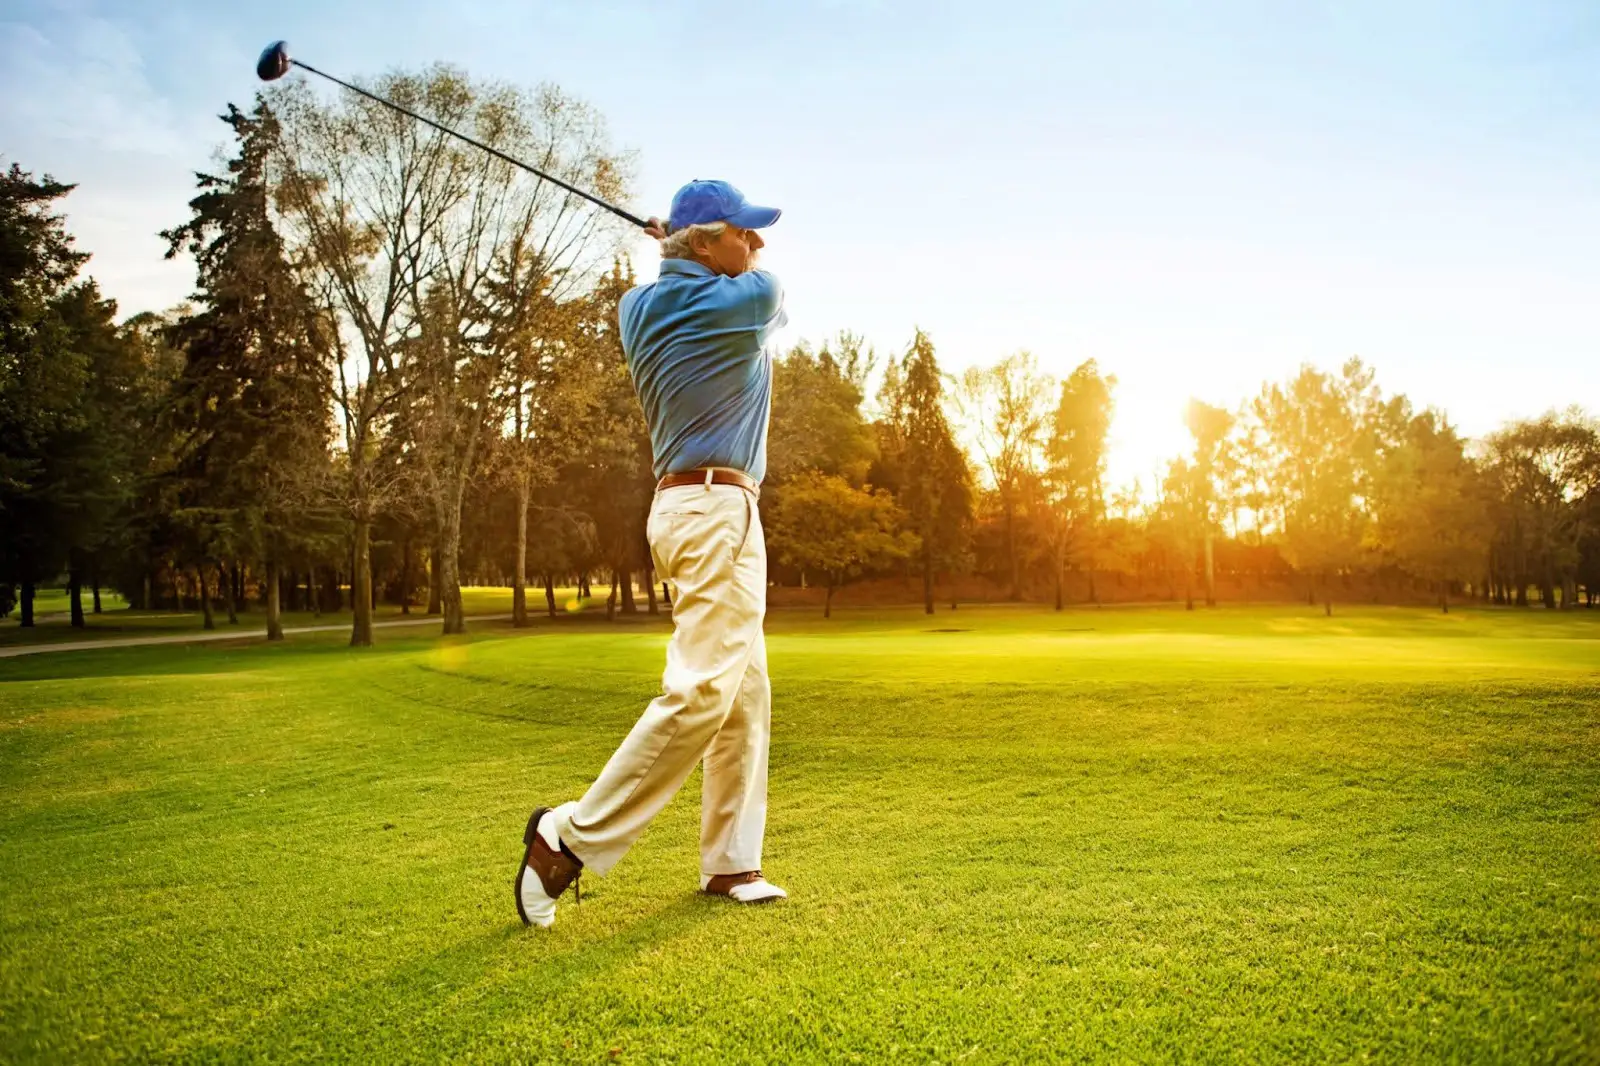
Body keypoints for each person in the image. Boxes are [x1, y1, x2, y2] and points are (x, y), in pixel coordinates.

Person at [514, 179, 789, 928]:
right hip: (718, 508)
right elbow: (771, 291)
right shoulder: (740, 301)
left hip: (680, 509)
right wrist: (683, 245)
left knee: (743, 693)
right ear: (706, 244)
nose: (757, 244)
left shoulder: (636, 308)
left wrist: (681, 250)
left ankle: (732, 863)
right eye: (743, 232)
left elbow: (693, 274)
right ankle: (567, 838)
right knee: (703, 689)